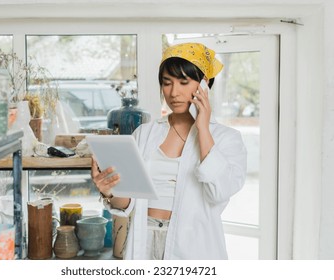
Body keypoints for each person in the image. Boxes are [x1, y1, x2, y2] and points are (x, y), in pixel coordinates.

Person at [91, 42, 247, 260]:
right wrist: (109, 191)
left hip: (194, 247)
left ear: (204, 84)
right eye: (167, 83)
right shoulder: (144, 134)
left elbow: (219, 191)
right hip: (142, 240)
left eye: (184, 82)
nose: (174, 92)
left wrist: (202, 127)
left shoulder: (226, 139)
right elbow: (127, 203)